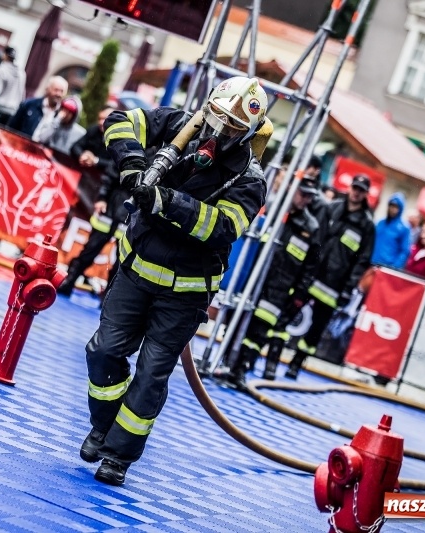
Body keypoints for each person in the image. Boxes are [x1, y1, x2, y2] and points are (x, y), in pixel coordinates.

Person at [81, 76, 268, 486]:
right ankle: (104, 425)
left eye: (233, 127)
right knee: (103, 352)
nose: (219, 132)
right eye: (217, 119)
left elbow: (221, 228)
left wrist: (164, 200)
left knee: (150, 377)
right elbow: (119, 120)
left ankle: (118, 457)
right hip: (135, 272)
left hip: (184, 295)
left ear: (249, 132)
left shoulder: (249, 179)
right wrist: (132, 162)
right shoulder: (177, 124)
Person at [219, 175, 322, 388]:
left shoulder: (311, 227)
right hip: (251, 279)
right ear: (292, 190)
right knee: (234, 322)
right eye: (303, 194)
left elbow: (311, 267)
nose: (305, 200)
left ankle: (240, 370)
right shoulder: (271, 210)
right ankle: (225, 362)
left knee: (258, 332)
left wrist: (299, 295)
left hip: (279, 289)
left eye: (310, 197)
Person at [285, 174, 375, 380]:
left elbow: (362, 261)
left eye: (361, 190)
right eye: (355, 187)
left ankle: (296, 364)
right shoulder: (332, 208)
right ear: (350, 188)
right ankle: (274, 354)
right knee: (288, 314)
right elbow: (317, 239)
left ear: (365, 195)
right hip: (312, 275)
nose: (356, 192)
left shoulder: (366, 226)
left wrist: (347, 289)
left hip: (335, 285)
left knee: (316, 330)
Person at [56, 106, 124, 297]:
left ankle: (108, 297)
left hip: (130, 212)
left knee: (122, 260)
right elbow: (112, 172)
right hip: (110, 206)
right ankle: (69, 281)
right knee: (91, 248)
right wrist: (102, 198)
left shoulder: (152, 152)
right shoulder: (130, 144)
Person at [371, 193, 410, 269]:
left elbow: (405, 252)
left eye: (396, 207)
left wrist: (394, 267)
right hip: (371, 264)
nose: (393, 209)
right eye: (391, 205)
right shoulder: (380, 223)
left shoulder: (404, 228)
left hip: (386, 268)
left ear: (400, 209)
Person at [0, 46, 26, 126]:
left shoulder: (2, 69)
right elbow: (22, 93)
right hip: (13, 110)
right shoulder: (22, 73)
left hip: (0, 107)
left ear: (5, 55)